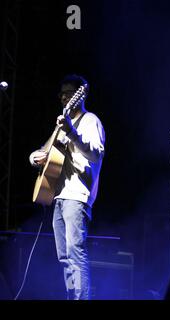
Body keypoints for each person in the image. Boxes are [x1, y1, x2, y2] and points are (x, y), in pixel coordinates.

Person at [29, 74, 105, 300]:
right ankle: (72, 296)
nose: (64, 97)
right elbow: (46, 151)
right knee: (63, 256)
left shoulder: (90, 121)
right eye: (62, 93)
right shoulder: (62, 125)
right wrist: (34, 157)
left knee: (75, 252)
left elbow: (95, 153)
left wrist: (71, 131)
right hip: (59, 196)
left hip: (77, 196)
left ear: (81, 94)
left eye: (69, 92)